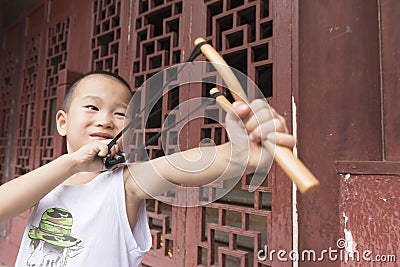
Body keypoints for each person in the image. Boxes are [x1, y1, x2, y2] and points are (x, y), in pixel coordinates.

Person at [0, 70, 295, 266]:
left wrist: (241, 154)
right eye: (92, 107)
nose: (105, 120)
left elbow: (173, 167)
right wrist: (71, 163)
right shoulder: (45, 182)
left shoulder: (125, 183)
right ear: (62, 122)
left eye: (120, 113)